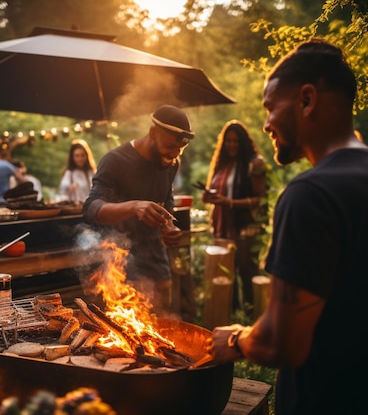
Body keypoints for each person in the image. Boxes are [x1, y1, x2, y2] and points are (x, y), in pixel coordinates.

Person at [207, 39, 368, 415]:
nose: (267, 123)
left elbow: (283, 344)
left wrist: (236, 339)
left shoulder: (309, 194)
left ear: (306, 99)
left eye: (270, 107)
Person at [83, 105, 192, 315]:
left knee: (161, 326)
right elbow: (91, 208)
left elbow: (166, 199)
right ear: (152, 133)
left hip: (156, 258)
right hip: (120, 260)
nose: (173, 155)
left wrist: (168, 226)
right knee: (129, 329)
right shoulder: (115, 160)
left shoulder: (170, 163)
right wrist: (134, 206)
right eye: (169, 146)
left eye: (179, 150)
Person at [202, 120, 267, 308]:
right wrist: (208, 197)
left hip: (244, 230)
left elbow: (260, 198)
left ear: (244, 143)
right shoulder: (222, 164)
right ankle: (230, 317)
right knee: (225, 276)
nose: (232, 145)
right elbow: (216, 192)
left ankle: (250, 319)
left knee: (247, 274)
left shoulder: (254, 164)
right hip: (221, 229)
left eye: (236, 141)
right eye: (228, 141)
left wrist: (229, 203)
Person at [59, 139, 97, 204]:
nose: (80, 159)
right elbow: (63, 194)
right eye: (77, 156)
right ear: (72, 157)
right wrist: (70, 189)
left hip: (91, 206)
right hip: (76, 208)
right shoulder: (69, 173)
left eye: (82, 155)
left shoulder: (91, 172)